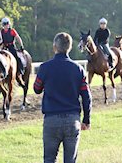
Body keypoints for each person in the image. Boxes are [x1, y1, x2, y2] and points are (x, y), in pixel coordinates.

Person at [33, 32, 92, 163]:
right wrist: (86, 119)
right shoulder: (78, 69)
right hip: (72, 120)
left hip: (51, 120)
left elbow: (37, 89)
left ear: (55, 46)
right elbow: (86, 97)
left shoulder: (45, 67)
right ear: (69, 48)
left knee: (49, 159)